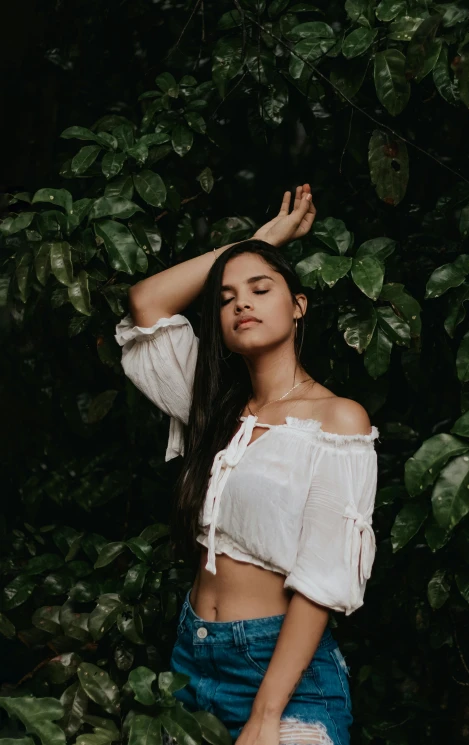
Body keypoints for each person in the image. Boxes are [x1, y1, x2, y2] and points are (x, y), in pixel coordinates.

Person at [114, 184, 380, 745]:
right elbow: (146, 306)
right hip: (193, 657)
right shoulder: (211, 406)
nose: (242, 303)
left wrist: (264, 716)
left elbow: (321, 581)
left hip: (281, 674)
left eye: (261, 288)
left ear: (298, 305)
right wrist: (257, 243)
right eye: (227, 296)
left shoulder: (338, 421)